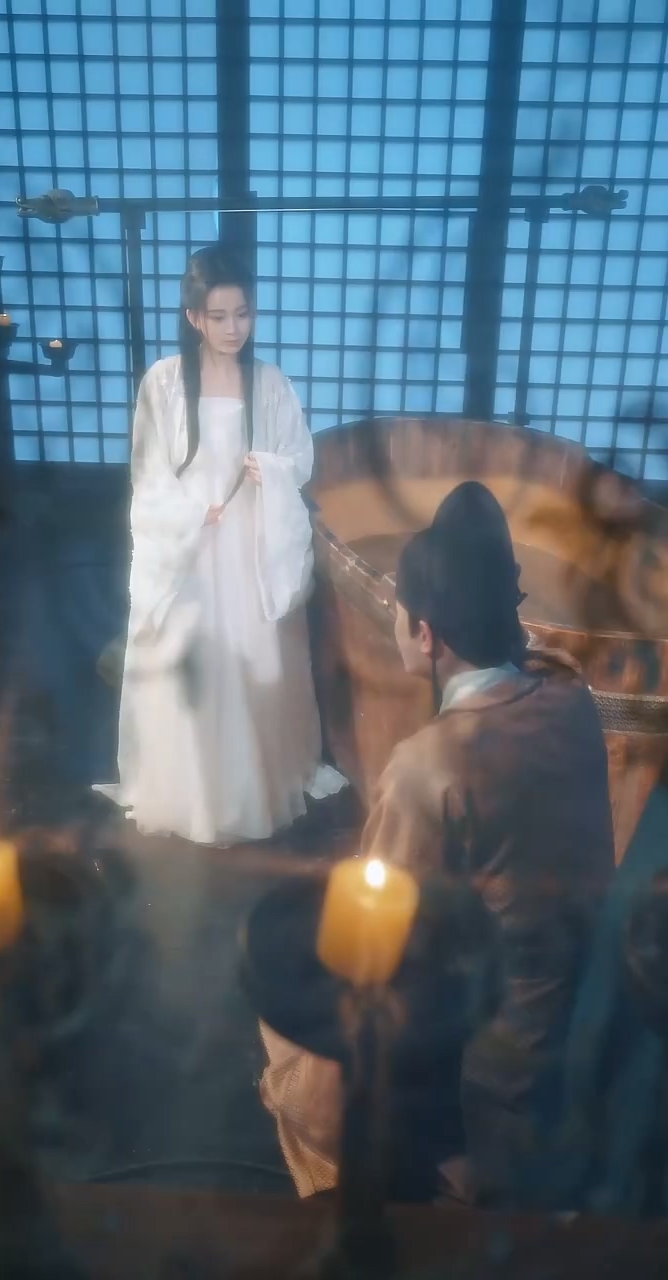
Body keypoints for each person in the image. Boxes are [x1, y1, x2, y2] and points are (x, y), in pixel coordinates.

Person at [260, 480, 615, 1207]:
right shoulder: (569, 698)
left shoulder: (432, 767)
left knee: (287, 1025)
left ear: (426, 635)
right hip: (582, 1025)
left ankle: (427, 1173)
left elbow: (376, 944)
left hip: (489, 1075)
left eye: (399, 612)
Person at [95, 244, 344, 845]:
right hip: (190, 545)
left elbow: (300, 456)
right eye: (219, 316)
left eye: (243, 314)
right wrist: (186, 512)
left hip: (251, 542)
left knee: (254, 658)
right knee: (193, 661)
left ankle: (253, 787)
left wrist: (274, 471)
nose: (234, 329)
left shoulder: (270, 383)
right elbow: (148, 471)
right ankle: (192, 792)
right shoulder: (164, 382)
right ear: (194, 318)